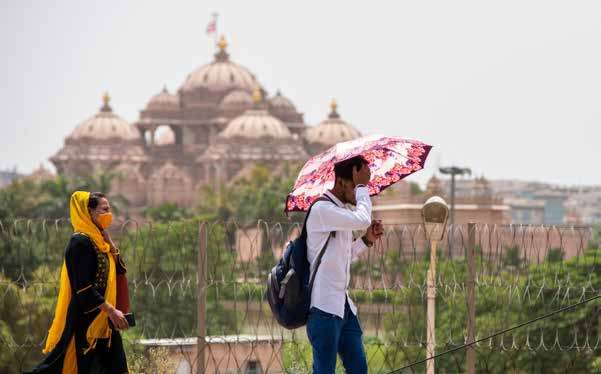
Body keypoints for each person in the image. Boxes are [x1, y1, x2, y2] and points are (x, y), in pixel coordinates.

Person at [25, 191, 129, 374]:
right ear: (89, 212)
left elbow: (120, 270)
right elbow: (83, 287)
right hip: (84, 322)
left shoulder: (101, 243)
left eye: (109, 209)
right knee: (64, 366)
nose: (109, 214)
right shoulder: (80, 243)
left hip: (105, 322)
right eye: (104, 210)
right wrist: (111, 310)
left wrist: (112, 246)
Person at [306, 155, 384, 374]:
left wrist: (367, 240)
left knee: (359, 368)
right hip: (323, 309)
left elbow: (344, 256)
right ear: (341, 182)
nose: (359, 191)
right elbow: (362, 219)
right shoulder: (322, 211)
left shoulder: (339, 213)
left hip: (343, 307)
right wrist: (362, 187)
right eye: (356, 183)